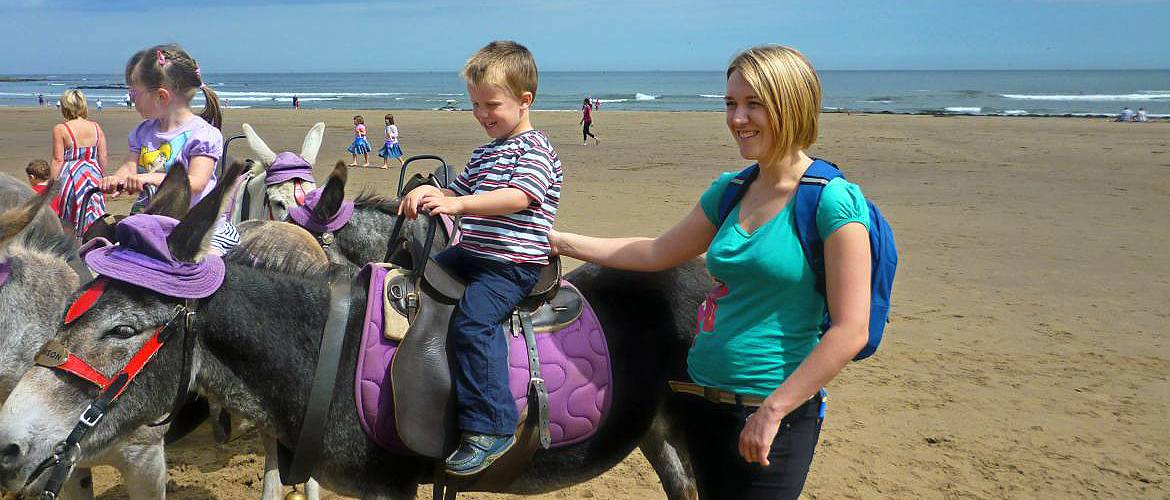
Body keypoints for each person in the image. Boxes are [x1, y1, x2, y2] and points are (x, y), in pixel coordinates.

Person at [549, 45, 872, 499]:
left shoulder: (831, 201)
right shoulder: (731, 192)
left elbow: (851, 328)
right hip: (702, 403)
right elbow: (656, 251)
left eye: (753, 103)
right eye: (730, 103)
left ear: (792, 103)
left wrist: (773, 412)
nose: (737, 118)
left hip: (774, 414)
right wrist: (559, 240)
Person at [399, 40, 563, 476]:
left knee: (474, 321)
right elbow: (457, 189)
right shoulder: (486, 150)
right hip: (473, 253)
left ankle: (492, 426)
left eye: (491, 105)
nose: (482, 115)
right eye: (474, 105)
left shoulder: (535, 149)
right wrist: (431, 191)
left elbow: (518, 196)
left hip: (513, 263)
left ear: (525, 100)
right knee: (414, 279)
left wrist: (459, 206)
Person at [99, 44, 237, 254]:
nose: (131, 98)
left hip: (197, 227)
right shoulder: (143, 132)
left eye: (134, 92)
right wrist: (116, 179)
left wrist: (148, 178)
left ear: (161, 96)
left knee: (206, 262)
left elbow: (196, 183)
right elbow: (129, 166)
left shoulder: (202, 135)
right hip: (153, 222)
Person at [51, 89, 108, 233]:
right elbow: (103, 157)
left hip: (72, 176)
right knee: (95, 212)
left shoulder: (61, 129)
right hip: (94, 173)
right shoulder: (96, 127)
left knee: (70, 217)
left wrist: (52, 184)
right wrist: (101, 176)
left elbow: (58, 159)